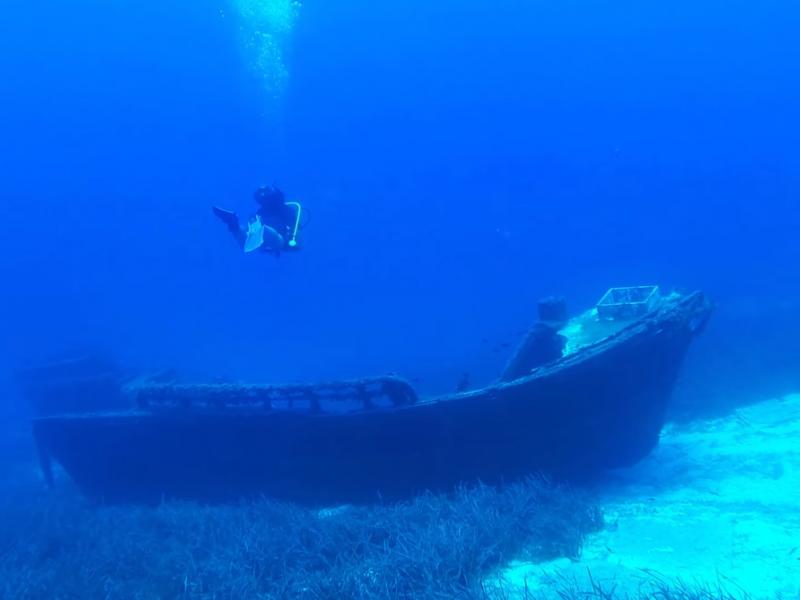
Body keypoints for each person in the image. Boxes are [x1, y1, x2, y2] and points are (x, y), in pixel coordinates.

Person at [213, 185, 303, 256]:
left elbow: (295, 227)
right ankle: (235, 225)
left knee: (246, 241)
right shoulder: (284, 209)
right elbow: (296, 227)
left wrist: (291, 239)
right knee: (250, 240)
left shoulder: (283, 210)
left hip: (274, 238)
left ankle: (234, 225)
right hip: (273, 239)